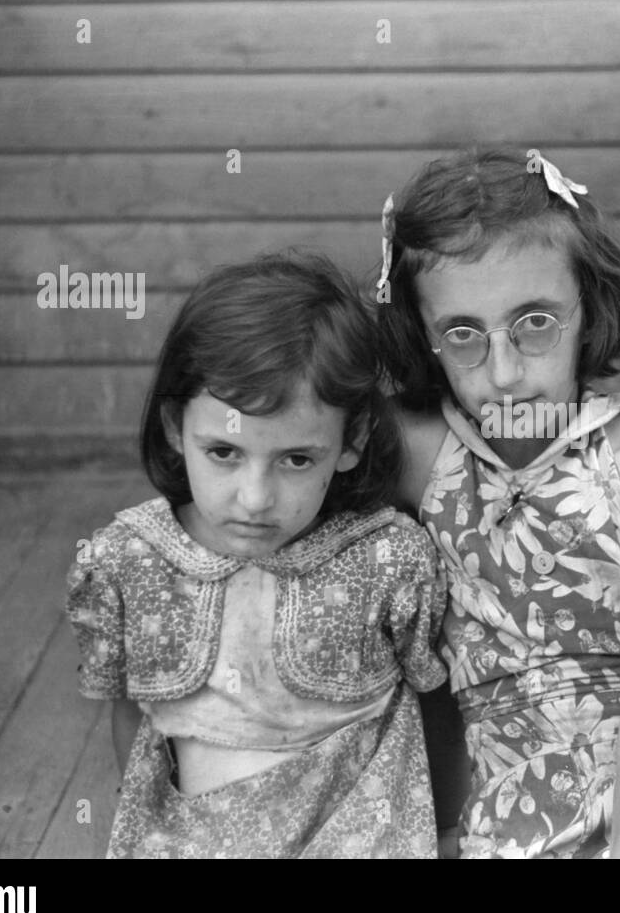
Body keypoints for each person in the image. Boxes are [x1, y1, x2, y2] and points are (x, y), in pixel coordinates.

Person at [377, 146, 620, 858]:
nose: (505, 374)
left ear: (589, 310)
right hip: (511, 822)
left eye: (535, 323)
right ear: (423, 337)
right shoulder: (419, 459)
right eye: (463, 334)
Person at [66, 252, 447, 858]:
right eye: (223, 452)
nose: (255, 498)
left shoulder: (387, 562)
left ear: (350, 442)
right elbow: (132, 725)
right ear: (173, 427)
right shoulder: (130, 562)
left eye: (296, 459)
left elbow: (435, 703)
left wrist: (447, 834)